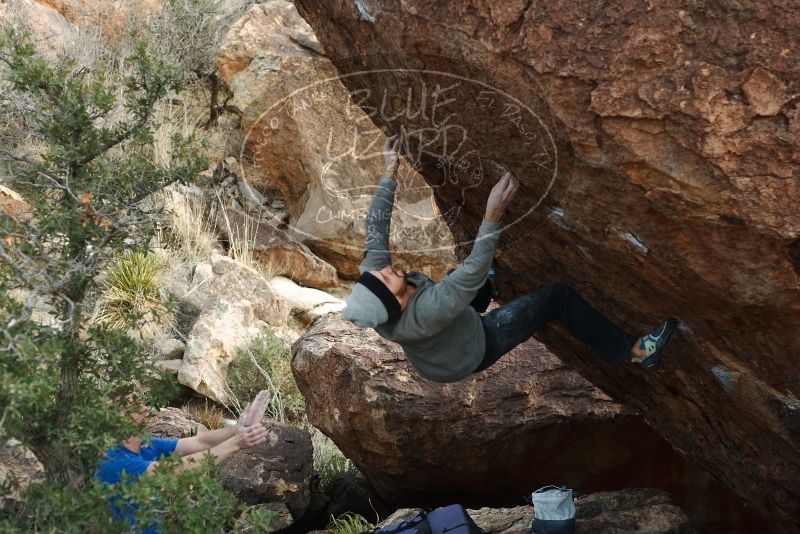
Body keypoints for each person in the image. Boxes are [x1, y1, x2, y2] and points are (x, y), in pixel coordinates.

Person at [341, 134, 677, 383]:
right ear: (396, 303)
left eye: (378, 272)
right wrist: (493, 213)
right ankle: (636, 352)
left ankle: (491, 286)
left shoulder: (378, 284)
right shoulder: (428, 311)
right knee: (555, 297)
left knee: (469, 278)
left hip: (442, 340)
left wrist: (389, 171)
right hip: (471, 350)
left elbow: (375, 231)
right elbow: (471, 272)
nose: (384, 269)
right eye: (386, 277)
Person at [94, 390, 271, 533]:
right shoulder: (115, 462)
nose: (145, 409)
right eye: (135, 407)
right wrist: (235, 443)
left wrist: (237, 429)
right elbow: (176, 470)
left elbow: (200, 441)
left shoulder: (146, 445)